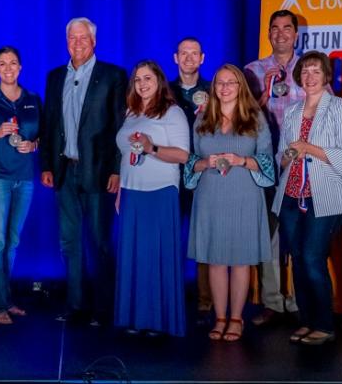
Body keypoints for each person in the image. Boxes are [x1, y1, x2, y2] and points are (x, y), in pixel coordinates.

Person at [40, 17, 127, 326]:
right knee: (70, 242)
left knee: (100, 242)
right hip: (64, 171)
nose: (77, 43)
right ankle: (76, 305)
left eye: (83, 38)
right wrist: (47, 164)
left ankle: (105, 309)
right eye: (72, 38)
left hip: (99, 172)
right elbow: (49, 124)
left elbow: (120, 125)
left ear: (94, 41)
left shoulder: (113, 75)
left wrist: (117, 169)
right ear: (67, 42)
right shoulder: (54, 77)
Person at [273, 51, 342, 345]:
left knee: (312, 257)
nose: (310, 77)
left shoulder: (338, 107)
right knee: (297, 258)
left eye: (316, 71)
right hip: (291, 193)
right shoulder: (292, 111)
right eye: (305, 71)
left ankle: (324, 324)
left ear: (326, 76)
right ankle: (307, 320)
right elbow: (282, 154)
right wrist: (287, 155)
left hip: (325, 194)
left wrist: (308, 148)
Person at [186, 64, 275, 342]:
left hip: (244, 195)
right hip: (210, 195)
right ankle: (220, 317)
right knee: (215, 260)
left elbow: (267, 162)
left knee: (240, 261)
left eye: (231, 83)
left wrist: (242, 160)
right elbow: (191, 161)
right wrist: (204, 163)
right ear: (213, 87)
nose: (224, 88)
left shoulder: (255, 118)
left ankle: (236, 318)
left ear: (240, 87)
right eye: (220, 83)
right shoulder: (202, 119)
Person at [114, 60, 189, 337]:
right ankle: (134, 317)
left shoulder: (172, 112)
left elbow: (183, 155)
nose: (142, 84)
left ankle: (158, 320)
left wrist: (151, 147)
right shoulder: (131, 112)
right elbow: (125, 155)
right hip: (132, 192)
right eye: (138, 79)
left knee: (156, 256)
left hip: (160, 192)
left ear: (159, 81)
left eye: (148, 78)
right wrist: (120, 191)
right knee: (134, 256)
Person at [243, 9, 304, 326]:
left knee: (298, 233)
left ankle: (298, 299)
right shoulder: (252, 71)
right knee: (268, 233)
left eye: (286, 28)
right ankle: (272, 300)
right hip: (265, 161)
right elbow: (241, 117)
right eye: (275, 28)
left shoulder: (310, 67)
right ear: (268, 34)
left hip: (299, 162)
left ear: (296, 34)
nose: (281, 33)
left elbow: (326, 109)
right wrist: (264, 95)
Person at [0, 46, 42, 325]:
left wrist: (33, 145)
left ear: (20, 67)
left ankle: (6, 298)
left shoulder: (33, 99)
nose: (8, 68)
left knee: (12, 243)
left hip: (24, 177)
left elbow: (42, 136)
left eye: (13, 63)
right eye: (2, 64)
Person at [168, 37, 213, 324]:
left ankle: (206, 298)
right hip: (171, 171)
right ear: (176, 58)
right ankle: (169, 292)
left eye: (194, 53)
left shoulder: (214, 91)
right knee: (170, 233)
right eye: (183, 53)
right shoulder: (163, 91)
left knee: (204, 236)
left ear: (202, 58)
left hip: (203, 170)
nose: (188, 58)